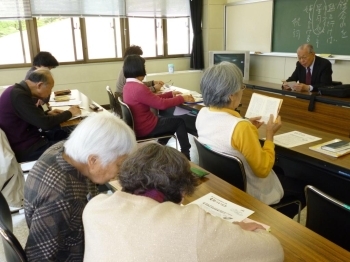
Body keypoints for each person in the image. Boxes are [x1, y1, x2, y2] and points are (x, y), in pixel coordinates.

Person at [83, 143, 284, 262]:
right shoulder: (190, 224)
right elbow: (274, 251)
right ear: (181, 193)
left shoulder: (94, 208)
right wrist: (237, 232)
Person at [196, 62, 306, 218]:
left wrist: (249, 126)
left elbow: (224, 135)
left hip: (222, 186)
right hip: (250, 194)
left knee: (281, 172)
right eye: (241, 87)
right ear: (231, 95)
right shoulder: (240, 127)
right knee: (303, 187)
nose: (242, 91)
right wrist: (269, 135)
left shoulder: (203, 113)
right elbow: (263, 170)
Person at [24, 113, 137, 261]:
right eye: (119, 165)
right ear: (93, 160)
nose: (119, 173)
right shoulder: (65, 197)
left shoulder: (62, 150)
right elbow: (37, 258)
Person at [123, 54, 194, 160]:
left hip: (139, 126)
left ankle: (156, 151)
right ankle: (186, 156)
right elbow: (161, 104)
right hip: (146, 127)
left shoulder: (127, 86)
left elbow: (151, 98)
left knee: (169, 123)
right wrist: (182, 98)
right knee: (179, 122)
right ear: (138, 68)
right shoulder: (139, 87)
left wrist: (170, 94)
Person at [0, 69, 81, 162]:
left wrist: (46, 114)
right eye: (50, 89)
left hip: (31, 138)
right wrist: (69, 113)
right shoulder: (19, 96)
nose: (50, 92)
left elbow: (31, 117)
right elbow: (45, 124)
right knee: (76, 147)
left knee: (70, 133)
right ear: (39, 85)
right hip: (27, 148)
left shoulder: (16, 91)